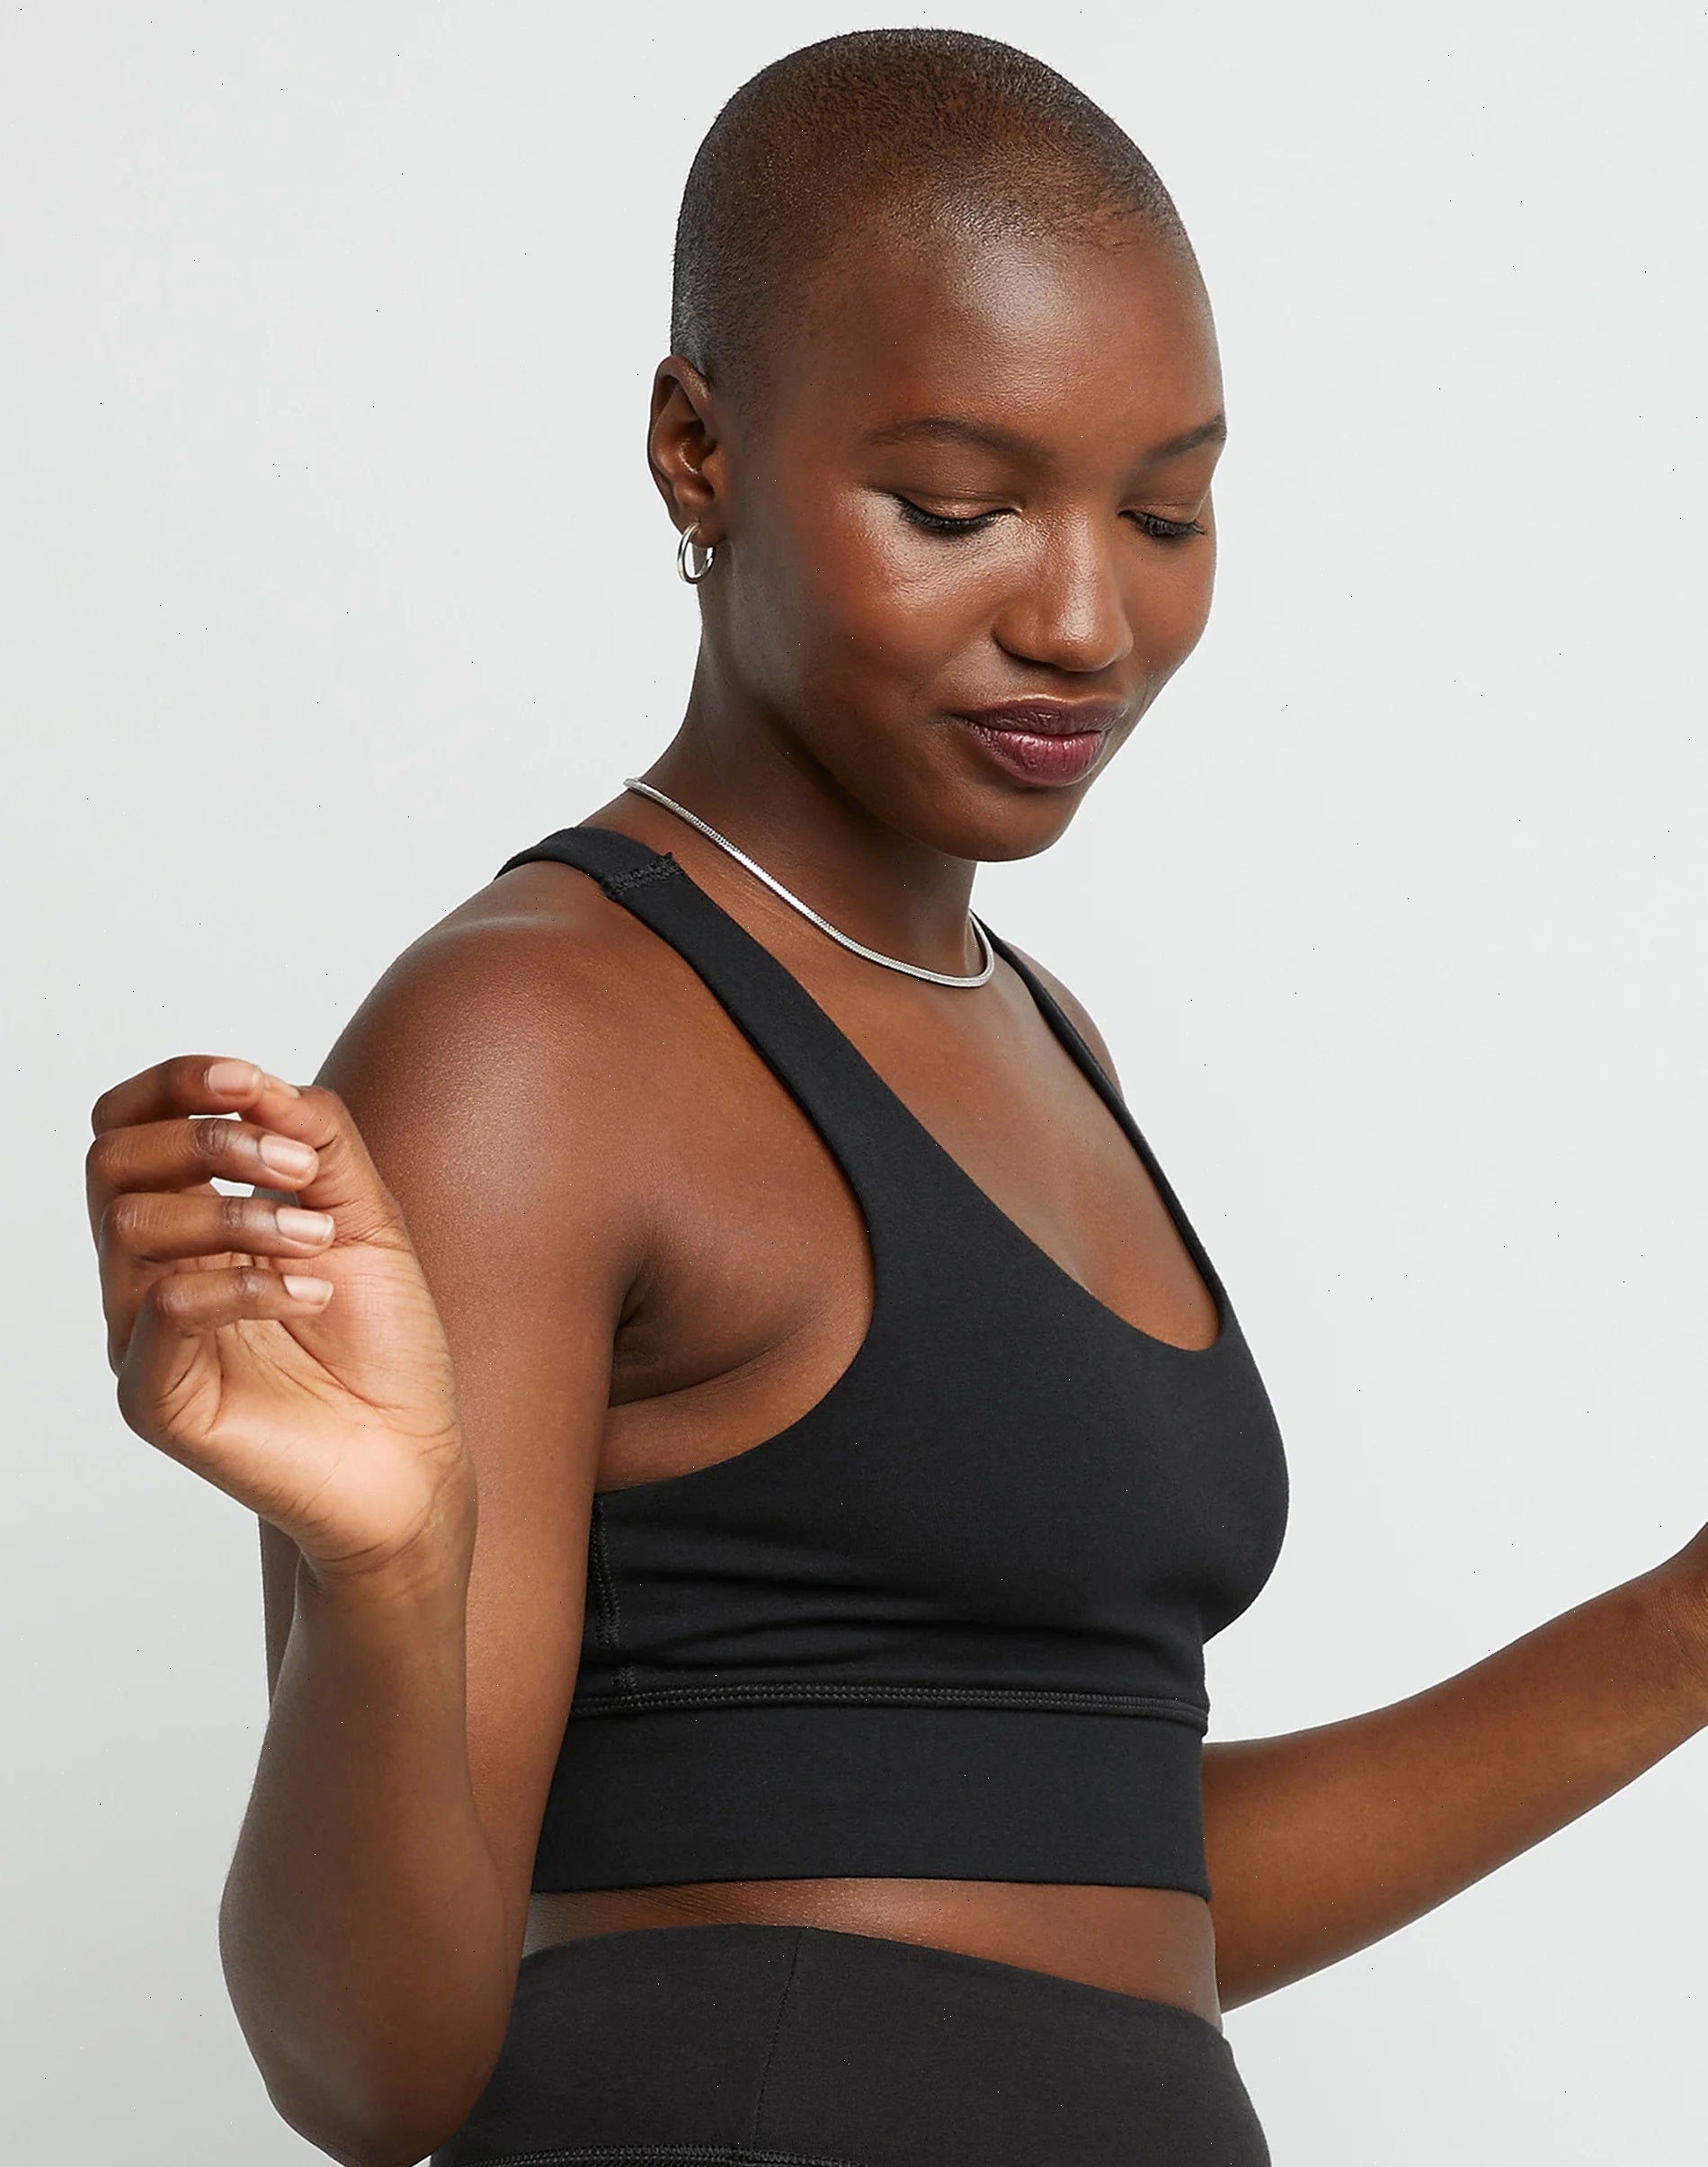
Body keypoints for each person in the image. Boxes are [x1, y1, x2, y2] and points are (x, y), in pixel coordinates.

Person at [84, 27, 1708, 2167]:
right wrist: (385, 1570)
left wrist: (1683, 1623)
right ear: (697, 450)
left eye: (1165, 511)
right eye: (957, 507)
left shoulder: (1044, 1032)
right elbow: (369, 2066)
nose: (1083, 617)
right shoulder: (531, 1040)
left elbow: (1093, 1893)